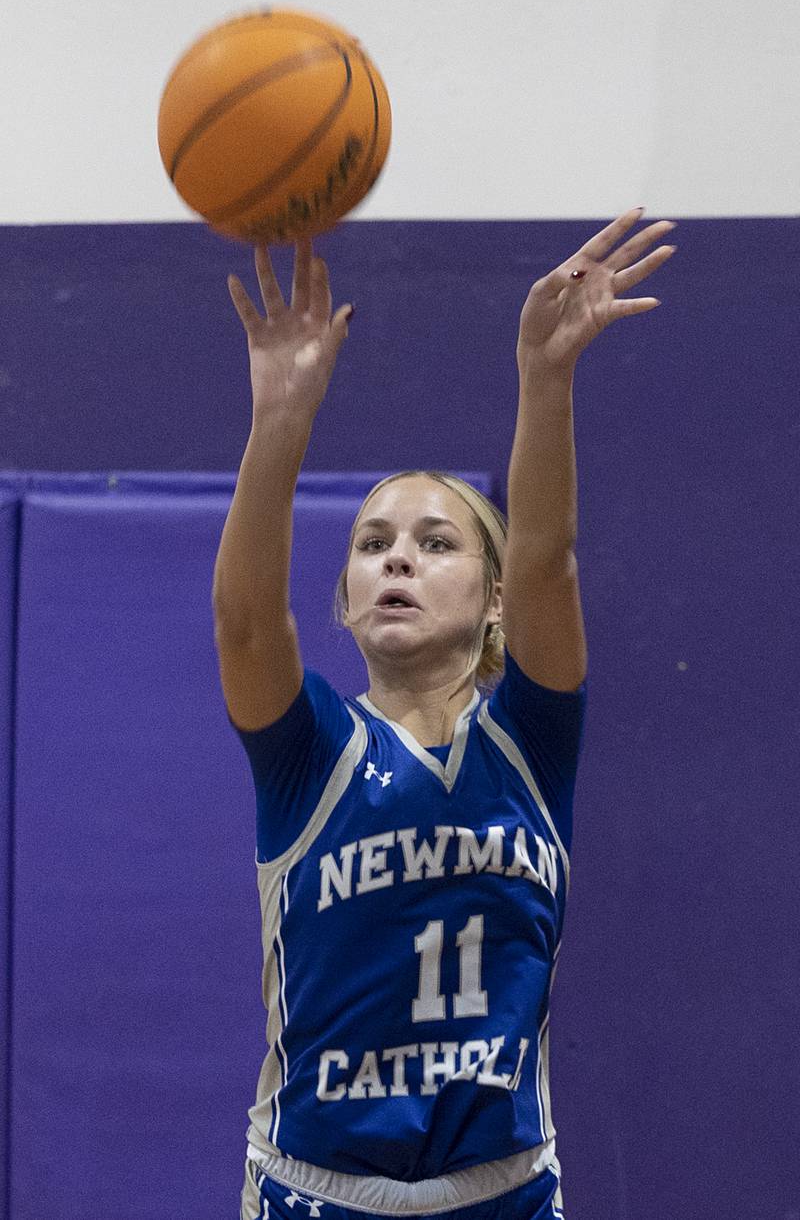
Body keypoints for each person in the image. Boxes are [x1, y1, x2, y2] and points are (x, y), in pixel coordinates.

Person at [213, 209, 676, 1220]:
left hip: (500, 1192)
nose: (396, 558)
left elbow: (549, 553)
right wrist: (280, 421)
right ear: (342, 598)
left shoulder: (528, 737)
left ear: (495, 594)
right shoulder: (312, 755)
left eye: (433, 542)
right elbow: (247, 622)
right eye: (373, 542)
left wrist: (543, 375)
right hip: (314, 1194)